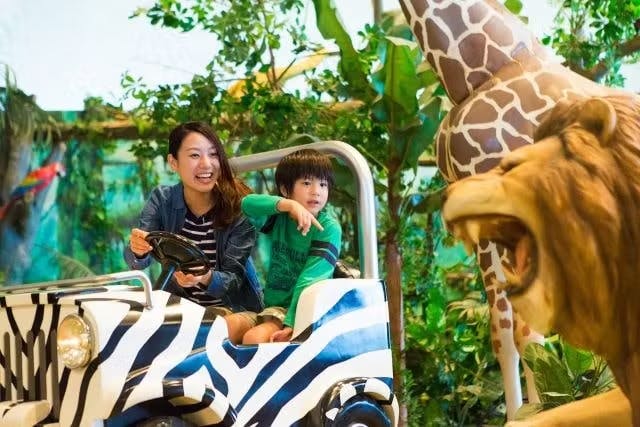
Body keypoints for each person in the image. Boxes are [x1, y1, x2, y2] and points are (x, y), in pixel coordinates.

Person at [124, 121, 263, 343]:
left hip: (234, 310)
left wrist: (205, 277)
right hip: (182, 310)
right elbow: (137, 260)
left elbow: (234, 280)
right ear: (173, 162)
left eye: (213, 154)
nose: (206, 164)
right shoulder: (162, 200)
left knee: (209, 331)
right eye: (195, 155)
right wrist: (138, 250)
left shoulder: (239, 207)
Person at [226, 148, 342, 344]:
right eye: (307, 183)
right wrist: (288, 205)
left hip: (303, 312)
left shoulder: (328, 228)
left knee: (254, 338)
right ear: (286, 190)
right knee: (221, 328)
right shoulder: (279, 218)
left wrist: (292, 323)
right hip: (270, 309)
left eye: (323, 184)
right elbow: (246, 204)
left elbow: (311, 279)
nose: (316, 191)